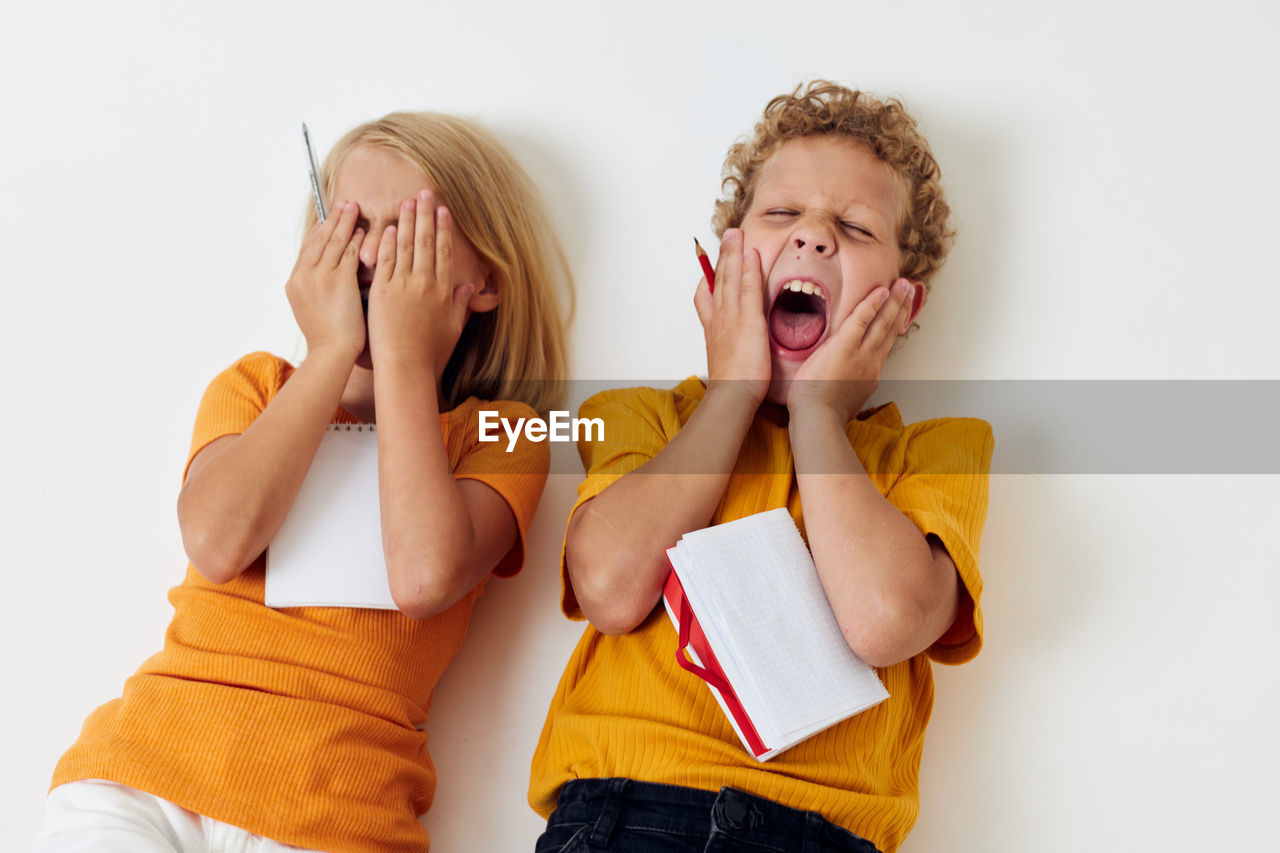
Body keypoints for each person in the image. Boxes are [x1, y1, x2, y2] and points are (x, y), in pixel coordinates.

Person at [35, 111, 571, 853]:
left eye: (407, 230)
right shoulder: (255, 388)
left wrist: (407, 360)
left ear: (482, 282)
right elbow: (217, 541)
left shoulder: (501, 436)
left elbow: (423, 574)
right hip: (146, 773)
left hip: (338, 814)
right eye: (348, 224)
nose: (371, 255)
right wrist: (330, 353)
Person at [529, 81, 993, 853]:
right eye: (782, 214)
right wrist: (732, 394)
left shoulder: (934, 455)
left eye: (852, 225)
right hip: (621, 818)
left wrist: (817, 414)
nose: (812, 237)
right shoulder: (643, 421)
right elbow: (609, 586)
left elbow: (884, 621)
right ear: (730, 261)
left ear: (901, 307)